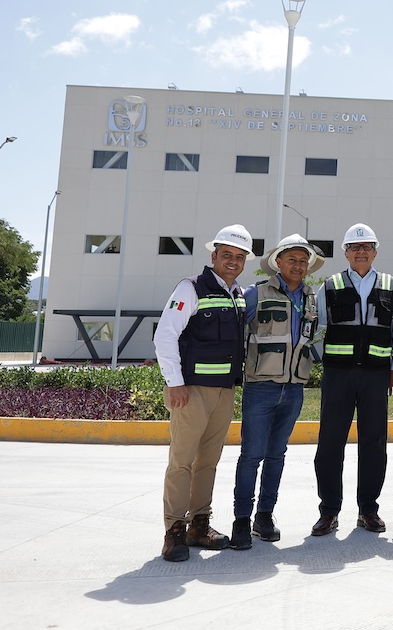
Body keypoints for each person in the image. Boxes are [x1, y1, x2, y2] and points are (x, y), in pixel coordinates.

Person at [153, 224, 253, 561]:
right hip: (191, 391)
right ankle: (174, 530)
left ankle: (199, 524)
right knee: (181, 462)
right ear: (214, 255)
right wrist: (174, 382)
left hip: (224, 392)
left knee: (208, 462)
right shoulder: (191, 288)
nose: (233, 261)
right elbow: (165, 335)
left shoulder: (237, 294)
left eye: (239, 257)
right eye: (227, 254)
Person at [229, 234, 323, 550]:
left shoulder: (312, 298)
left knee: (276, 455)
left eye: (303, 260)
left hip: (294, 389)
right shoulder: (255, 294)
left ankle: (264, 516)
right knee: (252, 455)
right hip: (260, 387)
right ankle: (241, 519)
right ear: (277, 263)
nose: (298, 265)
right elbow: (235, 332)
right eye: (291, 259)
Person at [310, 224, 393, 537]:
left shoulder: (392, 285)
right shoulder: (330, 285)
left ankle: (368, 509)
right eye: (354, 247)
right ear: (345, 253)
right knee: (330, 443)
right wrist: (327, 363)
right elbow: (318, 327)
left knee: (374, 443)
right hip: (338, 376)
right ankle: (329, 511)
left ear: (375, 252)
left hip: (376, 376)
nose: (361, 252)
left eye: (367, 247)